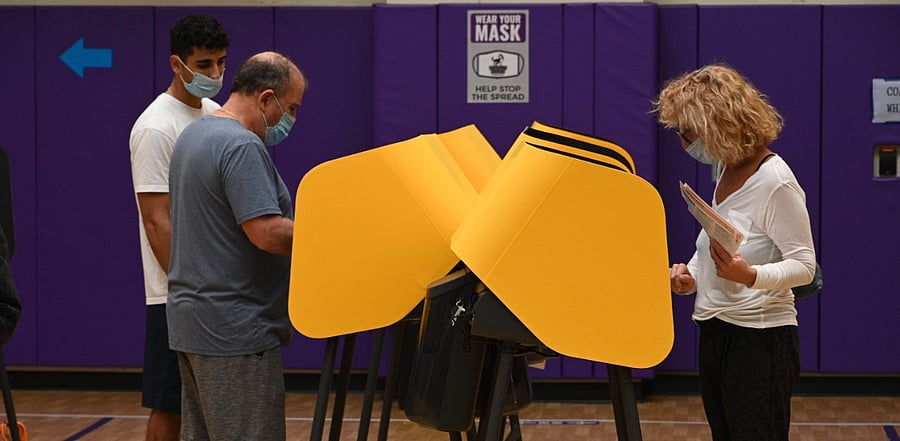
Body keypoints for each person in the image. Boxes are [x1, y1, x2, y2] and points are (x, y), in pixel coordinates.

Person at [653, 64, 816, 441]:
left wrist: (751, 276)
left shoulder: (775, 181)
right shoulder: (726, 170)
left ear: (718, 124)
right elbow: (716, 242)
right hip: (718, 332)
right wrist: (691, 275)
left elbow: (805, 265)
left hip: (759, 340)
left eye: (689, 134)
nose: (683, 144)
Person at [167, 51, 305, 440]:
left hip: (192, 324)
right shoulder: (240, 146)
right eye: (290, 107)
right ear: (265, 99)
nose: (290, 118)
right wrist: (327, 233)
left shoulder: (194, 134)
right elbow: (266, 232)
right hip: (235, 331)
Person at [128, 14, 230, 441]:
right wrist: (188, 290)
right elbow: (157, 219)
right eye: (204, 65)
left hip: (218, 287)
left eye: (222, 63)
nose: (216, 74)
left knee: (207, 405)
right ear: (177, 64)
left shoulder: (215, 114)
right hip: (177, 294)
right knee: (169, 402)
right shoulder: (155, 127)